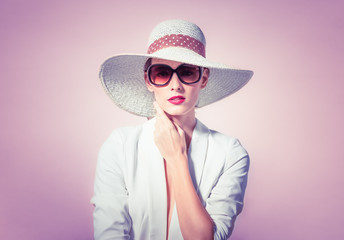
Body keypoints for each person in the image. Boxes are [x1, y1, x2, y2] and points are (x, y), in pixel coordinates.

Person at [91, 19, 254, 240]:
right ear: (148, 80)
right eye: (162, 73)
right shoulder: (120, 145)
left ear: (203, 78)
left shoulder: (230, 153)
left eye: (187, 72)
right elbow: (109, 234)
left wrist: (177, 158)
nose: (175, 85)